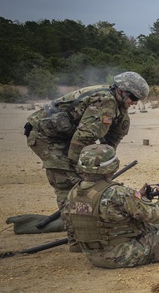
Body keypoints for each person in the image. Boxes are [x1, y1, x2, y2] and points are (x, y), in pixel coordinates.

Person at [24, 72, 149, 208]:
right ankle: (70, 216)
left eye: (138, 99)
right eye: (134, 97)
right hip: (45, 136)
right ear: (121, 91)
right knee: (69, 178)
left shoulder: (118, 107)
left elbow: (110, 144)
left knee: (89, 177)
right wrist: (84, 171)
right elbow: (82, 140)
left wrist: (105, 170)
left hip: (68, 134)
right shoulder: (105, 102)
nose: (135, 103)